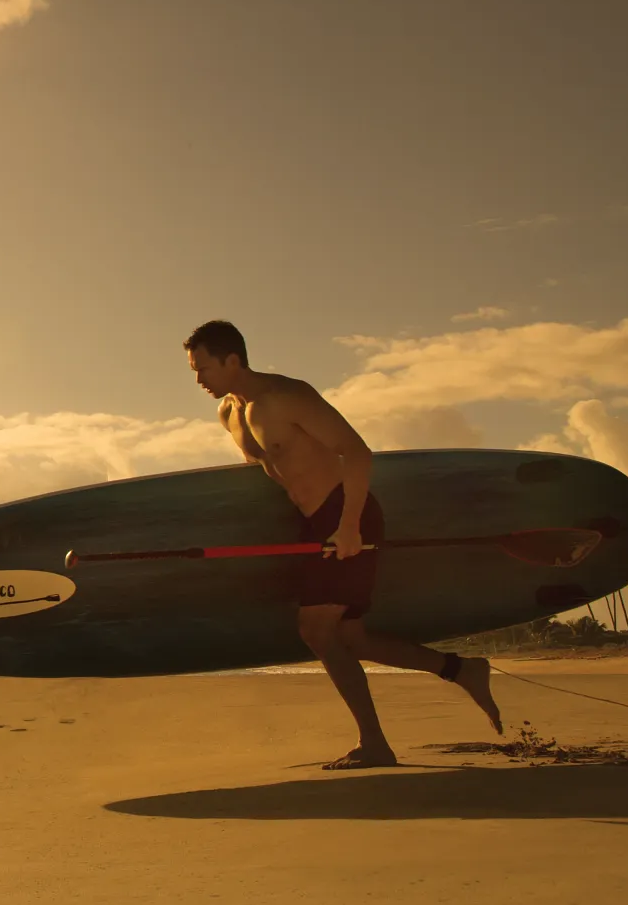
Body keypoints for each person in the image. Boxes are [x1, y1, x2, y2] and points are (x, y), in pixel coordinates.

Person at [184, 320, 502, 769]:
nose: (198, 380)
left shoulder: (286, 397)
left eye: (203, 369)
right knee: (351, 637)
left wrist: (350, 526)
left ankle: (374, 744)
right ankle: (461, 670)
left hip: (345, 517)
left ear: (232, 360)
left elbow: (356, 451)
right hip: (312, 525)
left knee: (316, 630)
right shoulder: (229, 414)